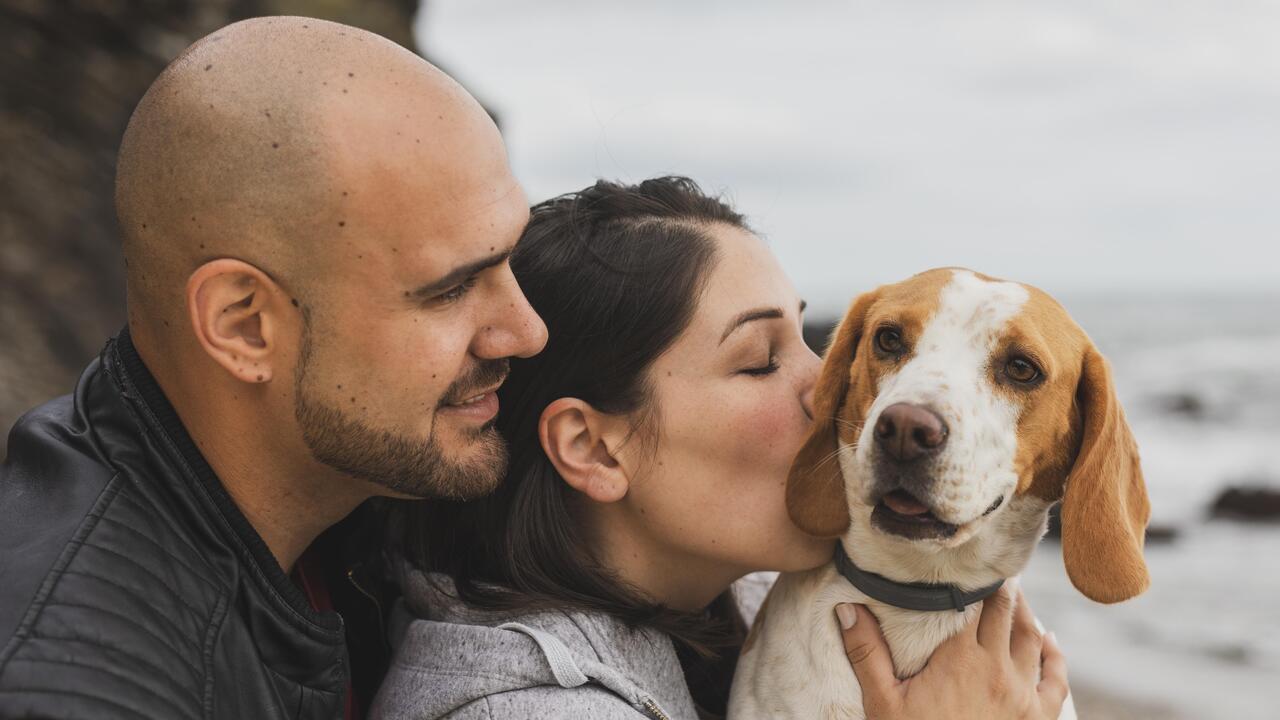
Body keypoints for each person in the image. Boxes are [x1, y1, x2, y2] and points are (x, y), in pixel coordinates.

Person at [0, 16, 546, 719]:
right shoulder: (80, 689)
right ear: (244, 326)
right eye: (450, 289)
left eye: (511, 259)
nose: (527, 332)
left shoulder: (354, 498)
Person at [372, 177, 1070, 720]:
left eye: (809, 341)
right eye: (762, 360)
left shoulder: (756, 597)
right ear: (593, 449)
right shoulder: (521, 709)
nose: (837, 393)